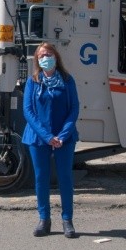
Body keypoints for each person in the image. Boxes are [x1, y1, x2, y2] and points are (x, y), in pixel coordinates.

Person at [22, 42, 80, 238]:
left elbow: (74, 110)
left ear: (56, 56)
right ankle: (44, 219)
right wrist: (47, 137)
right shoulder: (33, 81)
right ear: (37, 60)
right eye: (41, 56)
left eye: (48, 54)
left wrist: (62, 136)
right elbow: (28, 111)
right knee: (41, 178)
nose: (44, 58)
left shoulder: (67, 80)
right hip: (38, 138)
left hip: (64, 137)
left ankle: (67, 220)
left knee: (65, 178)